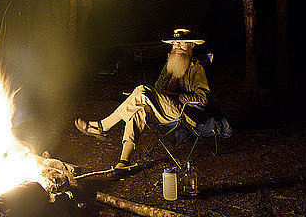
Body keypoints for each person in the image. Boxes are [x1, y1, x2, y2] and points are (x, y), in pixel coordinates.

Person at [75, 28, 210, 176]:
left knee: (141, 90)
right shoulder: (169, 64)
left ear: (192, 46)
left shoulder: (197, 68)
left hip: (181, 112)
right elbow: (157, 89)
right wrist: (159, 95)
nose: (178, 47)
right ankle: (123, 163)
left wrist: (175, 96)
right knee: (138, 110)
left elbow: (202, 99)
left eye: (183, 44)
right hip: (162, 110)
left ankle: (102, 126)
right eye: (176, 43)